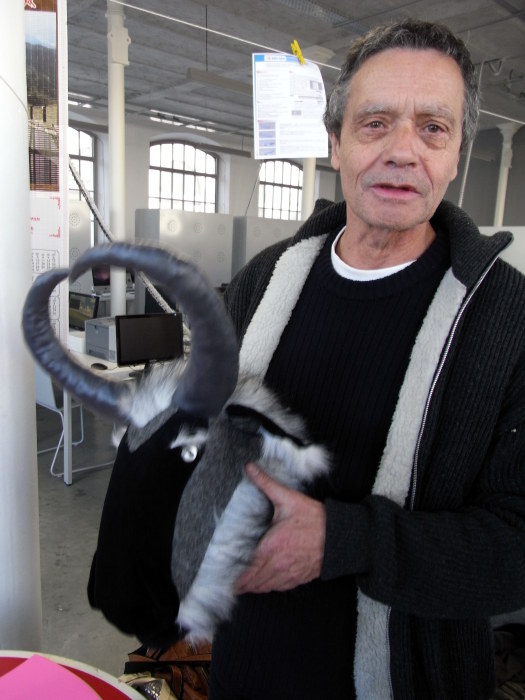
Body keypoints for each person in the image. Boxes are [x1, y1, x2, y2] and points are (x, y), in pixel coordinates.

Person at [210, 18, 525, 700]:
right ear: (335, 142)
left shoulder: (508, 319)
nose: (402, 152)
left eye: (432, 128)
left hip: (409, 681)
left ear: (456, 152)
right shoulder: (262, 281)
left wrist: (342, 541)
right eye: (375, 123)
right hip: (245, 667)